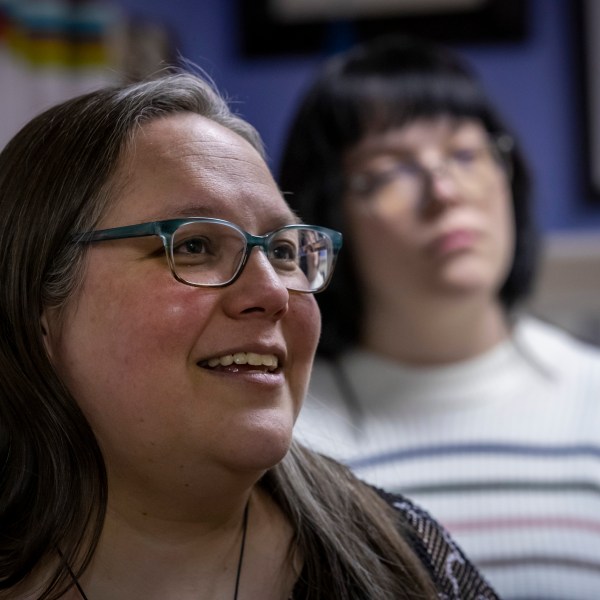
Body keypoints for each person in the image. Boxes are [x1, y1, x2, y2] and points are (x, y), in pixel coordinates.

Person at [0, 70, 499, 599]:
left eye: (283, 252)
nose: (274, 293)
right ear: (36, 303)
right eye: (194, 245)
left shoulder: (409, 562)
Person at [279, 34, 600, 599]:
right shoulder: (289, 437)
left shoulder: (590, 396)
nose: (444, 191)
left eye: (465, 153)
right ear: (326, 219)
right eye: (388, 171)